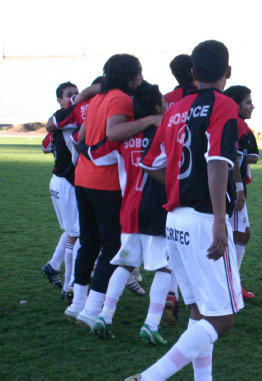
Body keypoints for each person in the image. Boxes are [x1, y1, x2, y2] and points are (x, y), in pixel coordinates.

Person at [127, 40, 243, 381]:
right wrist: (221, 220)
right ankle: (151, 377)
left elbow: (150, 164)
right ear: (228, 72)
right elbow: (219, 162)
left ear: (193, 72)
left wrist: (179, 183)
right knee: (222, 318)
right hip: (204, 219)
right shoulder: (224, 105)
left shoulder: (174, 110)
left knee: (198, 309)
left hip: (174, 219)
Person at [65, 54, 161, 330]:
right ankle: (93, 309)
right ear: (131, 75)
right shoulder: (120, 98)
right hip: (104, 182)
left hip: (83, 177)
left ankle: (77, 303)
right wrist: (151, 120)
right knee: (112, 246)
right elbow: (115, 132)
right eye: (139, 72)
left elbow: (82, 137)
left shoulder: (98, 99)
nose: (141, 77)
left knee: (89, 241)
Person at [78, 81, 172, 345]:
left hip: (129, 208)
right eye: (163, 102)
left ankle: (105, 316)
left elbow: (93, 153)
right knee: (166, 267)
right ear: (155, 107)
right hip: (157, 209)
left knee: (126, 263)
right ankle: (151, 324)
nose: (166, 106)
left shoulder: (123, 138)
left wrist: (82, 146)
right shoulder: (162, 133)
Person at [163, 53, 197, 325]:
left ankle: (170, 294)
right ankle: (198, 301)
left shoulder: (166, 102)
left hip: (170, 184)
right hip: (202, 186)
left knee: (173, 244)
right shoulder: (207, 100)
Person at [41, 82, 80, 298]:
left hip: (57, 180)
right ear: (60, 99)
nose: (74, 97)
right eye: (69, 95)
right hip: (67, 182)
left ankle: (53, 266)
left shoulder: (58, 119)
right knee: (78, 235)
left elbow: (45, 146)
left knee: (72, 231)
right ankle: (69, 286)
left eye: (76, 93)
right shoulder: (67, 120)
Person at [223, 85, 259, 299]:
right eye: (248, 102)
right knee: (237, 235)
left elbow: (250, 157)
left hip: (229, 187)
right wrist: (238, 189)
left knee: (239, 234)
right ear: (235, 105)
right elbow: (234, 160)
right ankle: (231, 285)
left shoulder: (241, 126)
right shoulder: (236, 125)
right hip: (230, 188)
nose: (252, 106)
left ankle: (232, 283)